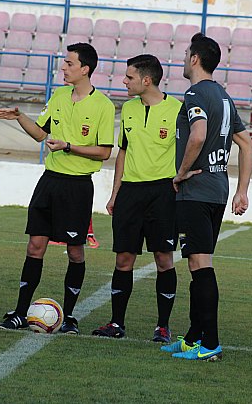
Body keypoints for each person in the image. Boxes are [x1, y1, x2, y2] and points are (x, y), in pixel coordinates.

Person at [0, 42, 115, 334]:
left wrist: (69, 146)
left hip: (77, 187)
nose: (63, 67)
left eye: (69, 63)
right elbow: (40, 134)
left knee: (75, 251)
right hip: (50, 181)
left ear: (85, 69)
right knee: (35, 246)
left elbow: (104, 152)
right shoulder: (59, 95)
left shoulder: (103, 106)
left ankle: (69, 317)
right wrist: (21, 117)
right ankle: (20, 312)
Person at [161, 33, 252, 361]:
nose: (184, 58)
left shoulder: (195, 93)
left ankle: (210, 344)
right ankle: (193, 337)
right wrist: (241, 190)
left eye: (187, 53)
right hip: (217, 190)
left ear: (195, 59)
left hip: (196, 191)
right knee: (198, 262)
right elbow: (247, 145)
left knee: (200, 264)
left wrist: (181, 172)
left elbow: (197, 135)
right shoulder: (224, 97)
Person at [92, 55, 182, 343]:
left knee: (164, 259)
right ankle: (116, 323)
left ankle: (163, 327)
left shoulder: (177, 110)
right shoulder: (129, 109)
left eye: (129, 77)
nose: (124, 81)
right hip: (130, 193)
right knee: (123, 259)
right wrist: (116, 193)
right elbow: (124, 152)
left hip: (163, 193)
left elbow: (189, 150)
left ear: (146, 80)